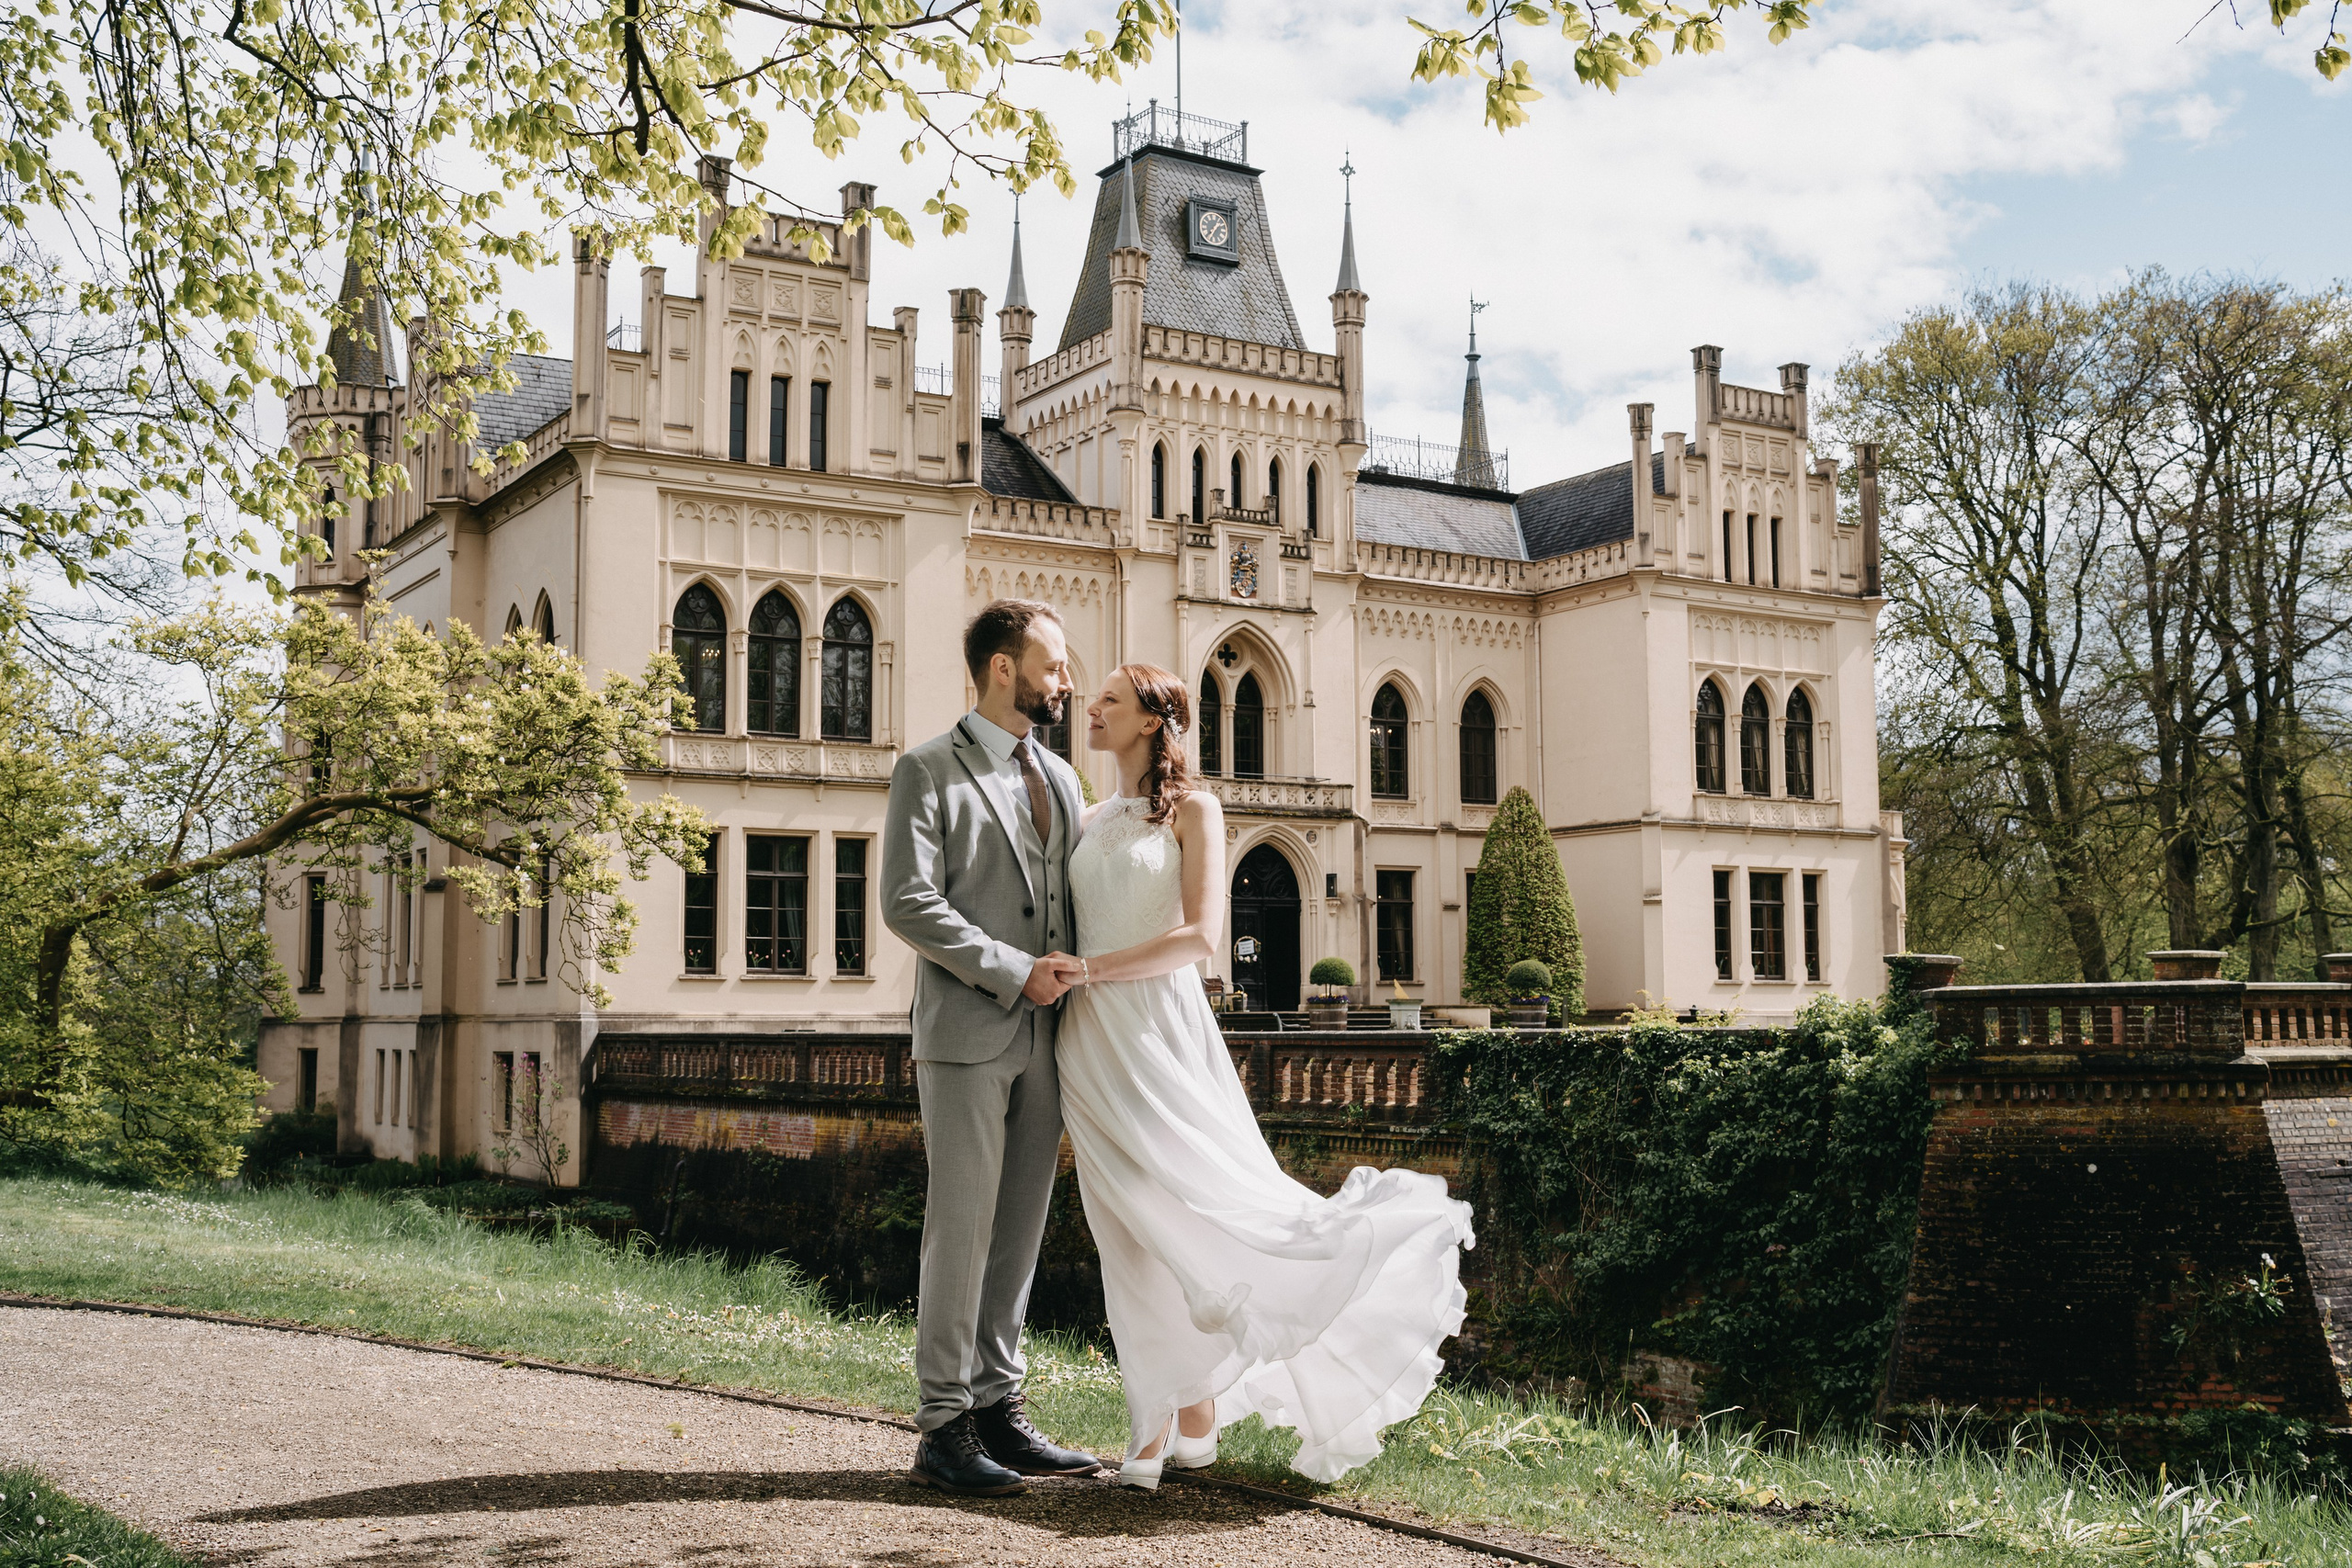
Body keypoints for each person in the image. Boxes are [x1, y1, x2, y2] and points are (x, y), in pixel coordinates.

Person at [1055, 664, 1474, 1488]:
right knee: (1125, 1234)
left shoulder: (1196, 809)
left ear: (1152, 720)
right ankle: (1180, 1414)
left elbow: (1201, 938)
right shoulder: (1087, 811)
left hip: (1155, 1027)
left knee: (1202, 1205)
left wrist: (1092, 969)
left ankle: (1171, 1420)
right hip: (1087, 1037)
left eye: (1109, 699)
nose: (1090, 708)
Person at [880, 600, 1101, 1496]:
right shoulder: (927, 769)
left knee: (1017, 1234)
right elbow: (906, 900)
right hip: (968, 1033)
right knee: (961, 1232)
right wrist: (1014, 969)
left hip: (1051, 1040)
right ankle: (943, 1427)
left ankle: (999, 1410)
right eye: (1053, 665)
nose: (1066, 680)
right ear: (1002, 669)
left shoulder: (1062, 777)